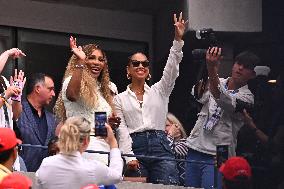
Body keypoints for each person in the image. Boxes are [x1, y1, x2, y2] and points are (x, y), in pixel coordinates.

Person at [114, 12, 186, 185]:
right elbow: (122, 130)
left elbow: (171, 69)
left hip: (161, 145)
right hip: (135, 146)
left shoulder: (159, 91)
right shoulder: (119, 99)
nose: (141, 66)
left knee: (168, 186)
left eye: (145, 64)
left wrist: (178, 41)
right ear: (128, 70)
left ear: (148, 71)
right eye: (136, 63)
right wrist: (128, 155)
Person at [185, 50, 259, 189]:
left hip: (219, 153)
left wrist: (212, 69)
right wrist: (208, 69)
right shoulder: (219, 80)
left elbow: (223, 99)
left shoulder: (248, 97)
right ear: (233, 64)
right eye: (238, 63)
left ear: (253, 74)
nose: (240, 68)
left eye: (246, 66)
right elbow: (198, 96)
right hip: (196, 145)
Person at [54, 37, 123, 165]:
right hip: (79, 148)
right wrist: (80, 61)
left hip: (101, 151)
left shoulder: (101, 91)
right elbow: (72, 95)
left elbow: (99, 130)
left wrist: (109, 123)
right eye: (91, 58)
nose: (97, 62)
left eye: (101, 60)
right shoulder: (72, 80)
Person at [36, 116, 123, 189]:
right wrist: (113, 143)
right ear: (86, 141)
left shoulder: (46, 164)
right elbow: (117, 176)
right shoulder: (92, 168)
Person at [17, 73, 57, 172]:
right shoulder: (17, 110)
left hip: (44, 177)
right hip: (21, 175)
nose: (53, 94)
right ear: (38, 89)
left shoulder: (52, 118)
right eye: (50, 89)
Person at [165, 112, 188, 186]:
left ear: (177, 126)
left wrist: (170, 135)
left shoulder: (185, 143)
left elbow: (168, 153)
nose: (163, 129)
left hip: (180, 184)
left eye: (167, 125)